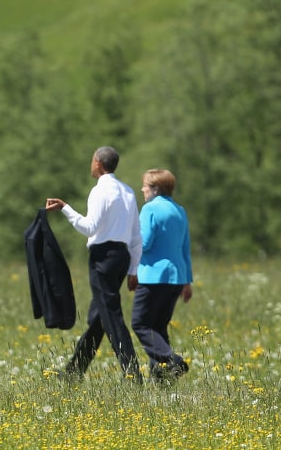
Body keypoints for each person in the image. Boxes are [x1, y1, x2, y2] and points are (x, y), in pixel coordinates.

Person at [45, 146, 143, 383]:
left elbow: (89, 228)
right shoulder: (128, 191)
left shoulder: (100, 191)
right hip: (122, 257)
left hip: (103, 257)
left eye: (92, 160)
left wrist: (65, 208)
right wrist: (133, 270)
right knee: (98, 317)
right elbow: (136, 236)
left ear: (98, 164)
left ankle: (133, 374)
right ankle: (74, 372)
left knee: (111, 315)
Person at [127, 168, 193, 382]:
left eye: (145, 185)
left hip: (153, 276)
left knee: (140, 323)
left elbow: (144, 243)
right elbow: (185, 248)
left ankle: (172, 361)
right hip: (176, 277)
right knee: (158, 328)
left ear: (155, 189)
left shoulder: (150, 209)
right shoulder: (179, 210)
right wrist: (187, 281)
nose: (142, 189)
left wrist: (126, 239)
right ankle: (163, 379)